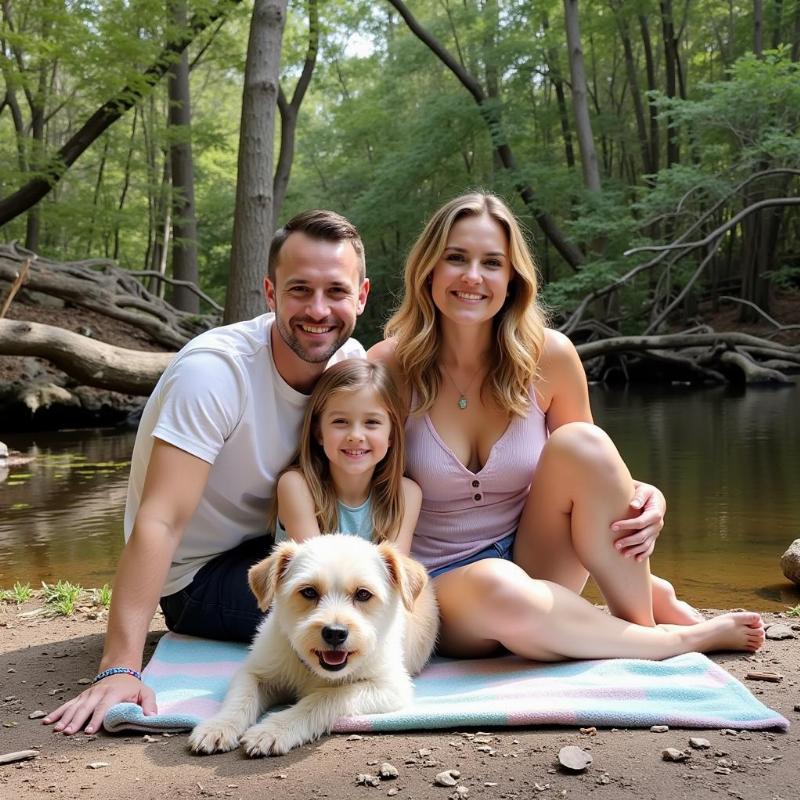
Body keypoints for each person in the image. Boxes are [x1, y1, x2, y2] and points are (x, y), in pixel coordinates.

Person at [368, 191, 765, 661]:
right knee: (503, 586)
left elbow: (594, 472)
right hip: (443, 583)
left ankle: (635, 619)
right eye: (456, 258)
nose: (473, 277)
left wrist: (646, 496)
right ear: (429, 269)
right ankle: (671, 641)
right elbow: (354, 485)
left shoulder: (550, 357)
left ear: (513, 279)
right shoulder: (387, 368)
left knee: (583, 442)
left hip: (537, 556)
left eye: (491, 263)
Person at [44, 209, 370, 735]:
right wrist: (121, 666)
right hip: (197, 576)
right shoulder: (214, 374)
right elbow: (160, 521)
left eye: (335, 291)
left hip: (276, 548)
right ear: (270, 293)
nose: (318, 310)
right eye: (299, 290)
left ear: (361, 296)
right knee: (383, 626)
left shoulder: (348, 364)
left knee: (404, 594)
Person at [270, 358, 421, 553]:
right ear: (319, 433)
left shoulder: (405, 494)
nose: (356, 436)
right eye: (340, 421)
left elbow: (394, 574)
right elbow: (317, 567)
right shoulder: (296, 486)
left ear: (391, 434)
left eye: (372, 422)